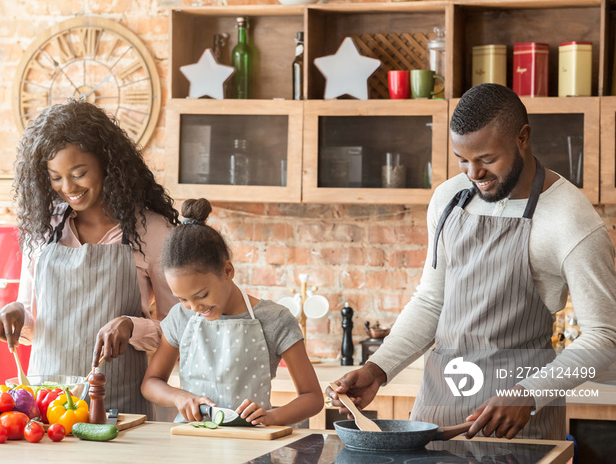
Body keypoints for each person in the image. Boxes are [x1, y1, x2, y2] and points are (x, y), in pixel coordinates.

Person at [327, 83, 616, 440]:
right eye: (462, 159)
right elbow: (432, 301)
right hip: (438, 410)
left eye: (487, 159)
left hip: (518, 421)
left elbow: (604, 336)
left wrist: (529, 394)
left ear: (523, 137)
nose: (473, 173)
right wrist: (377, 369)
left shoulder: (570, 219)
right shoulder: (449, 198)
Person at [0, 100, 180, 416]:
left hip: (121, 410)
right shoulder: (44, 229)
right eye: (55, 177)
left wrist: (133, 327)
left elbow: (180, 329)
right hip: (47, 409)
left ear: (107, 163)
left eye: (79, 173)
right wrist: (15, 314)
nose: (68, 188)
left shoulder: (153, 231)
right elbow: (36, 322)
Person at [141, 198, 323, 425]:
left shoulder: (275, 319)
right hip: (191, 443)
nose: (195, 307)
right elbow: (151, 383)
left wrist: (273, 417)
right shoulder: (181, 316)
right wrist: (179, 396)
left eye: (202, 295)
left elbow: (313, 397)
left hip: (252, 444)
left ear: (227, 271)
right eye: (183, 299)